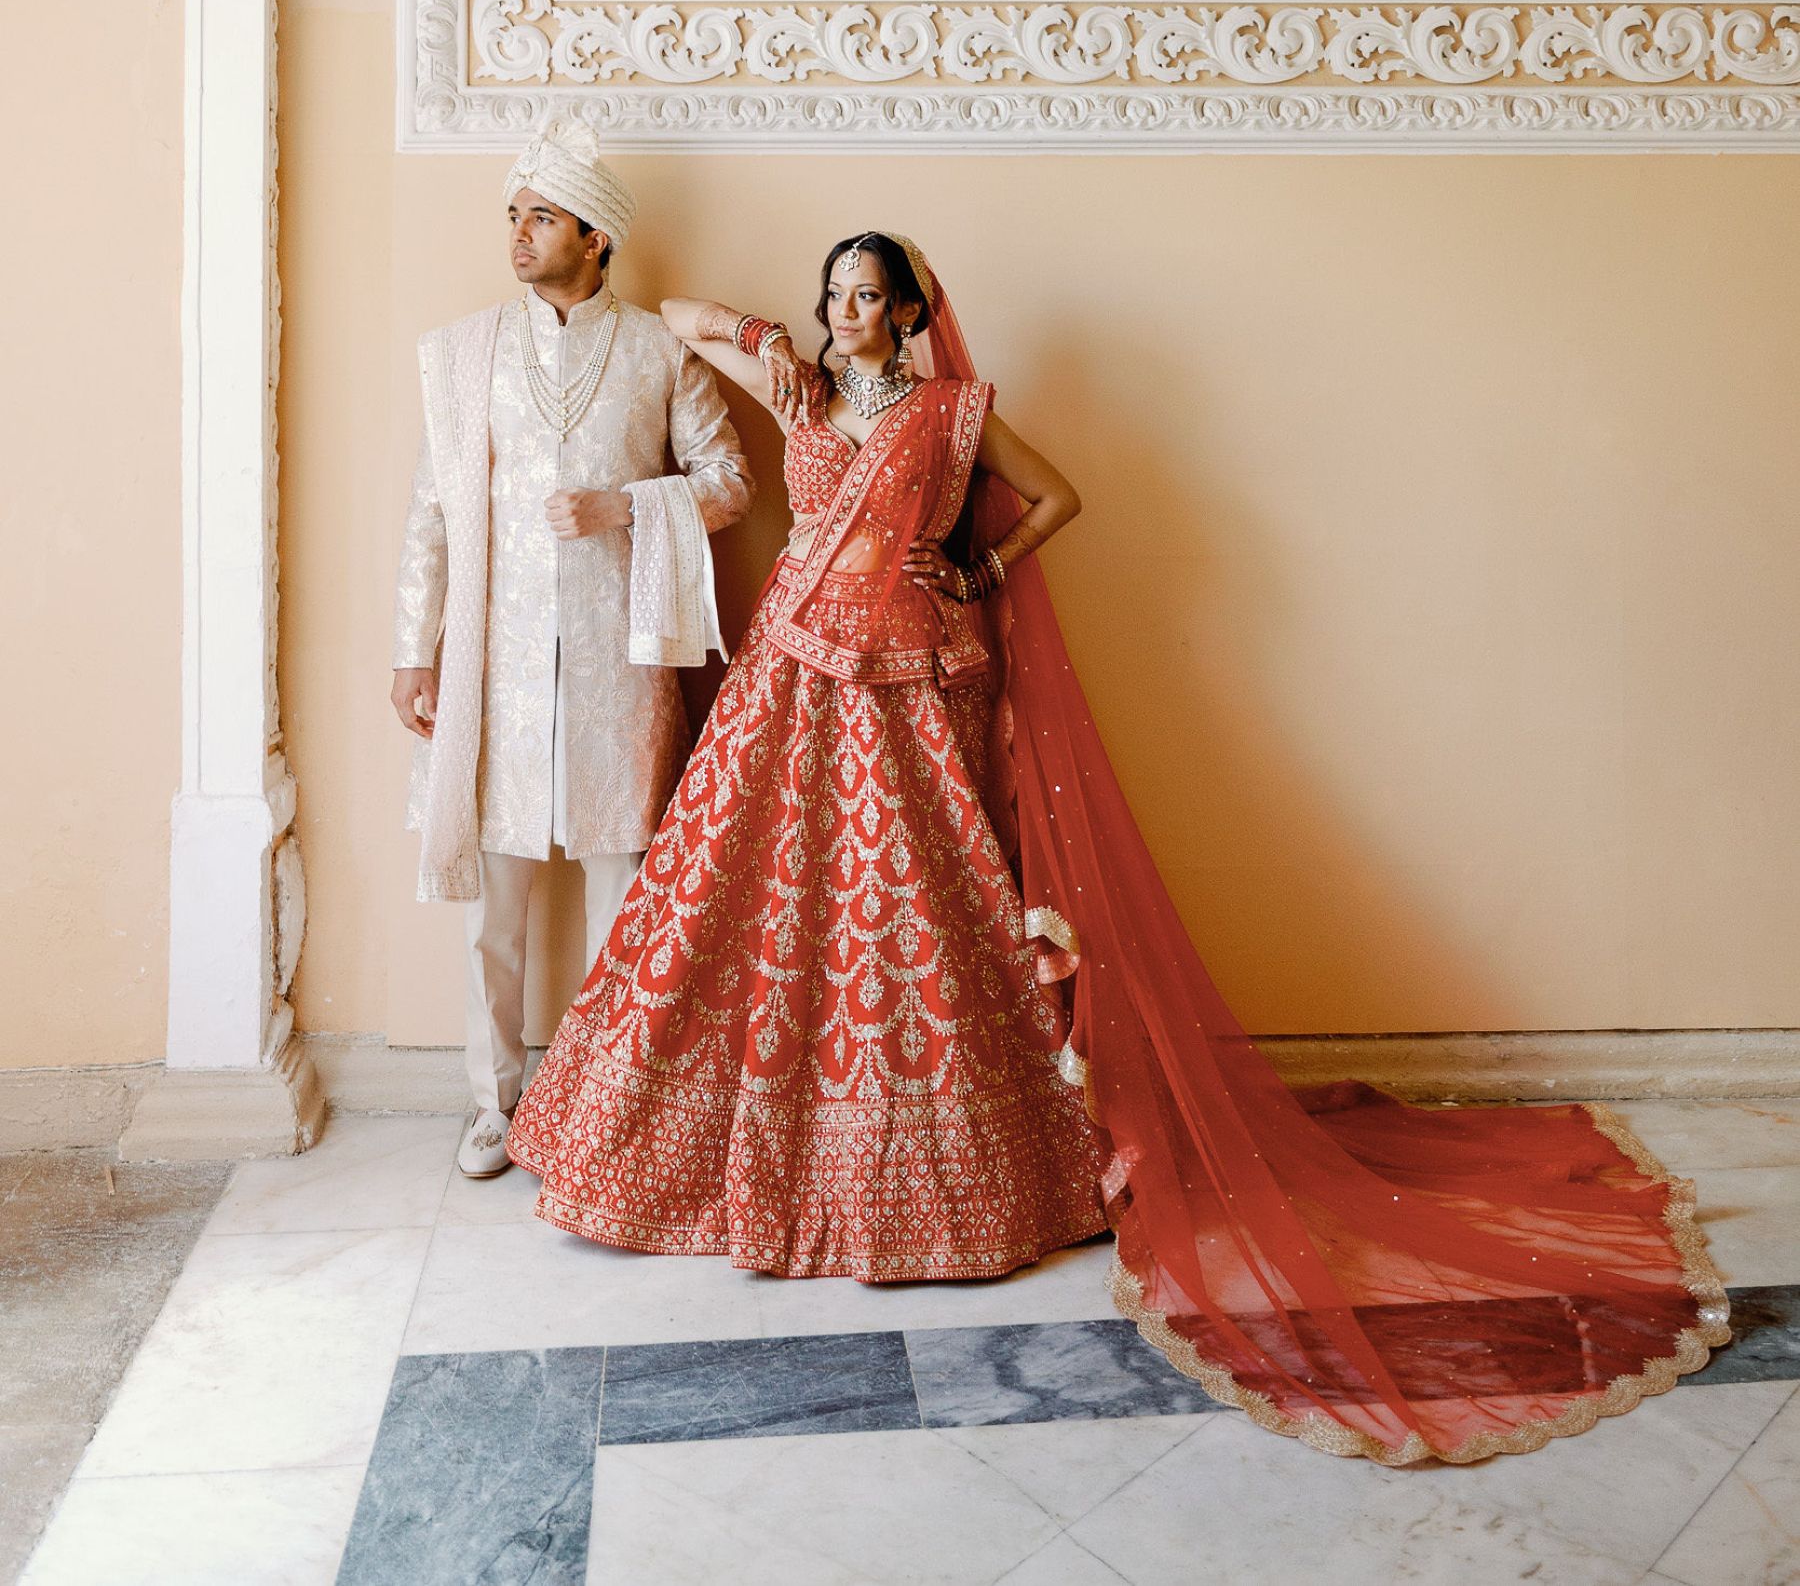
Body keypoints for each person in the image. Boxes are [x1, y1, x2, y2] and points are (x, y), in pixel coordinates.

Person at [510, 230, 1728, 1465]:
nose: (849, 310)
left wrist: (977, 563)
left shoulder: (956, 408)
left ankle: (943, 1169)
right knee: (758, 893)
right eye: (836, 294)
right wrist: (769, 341)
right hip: (793, 672)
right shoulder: (806, 386)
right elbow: (672, 308)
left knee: (920, 906)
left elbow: (1060, 498)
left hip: (918, 668)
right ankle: (741, 1149)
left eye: (870, 294)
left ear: (913, 309)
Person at [390, 123, 752, 1179]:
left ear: (595, 238)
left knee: (622, 897)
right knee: (494, 914)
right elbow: (429, 515)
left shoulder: (656, 349)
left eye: (540, 216)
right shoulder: (467, 354)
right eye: (513, 214)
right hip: (493, 672)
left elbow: (731, 484)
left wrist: (625, 506)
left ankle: (610, 1109)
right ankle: (493, 1103)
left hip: (618, 667)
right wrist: (417, 650)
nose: (518, 232)